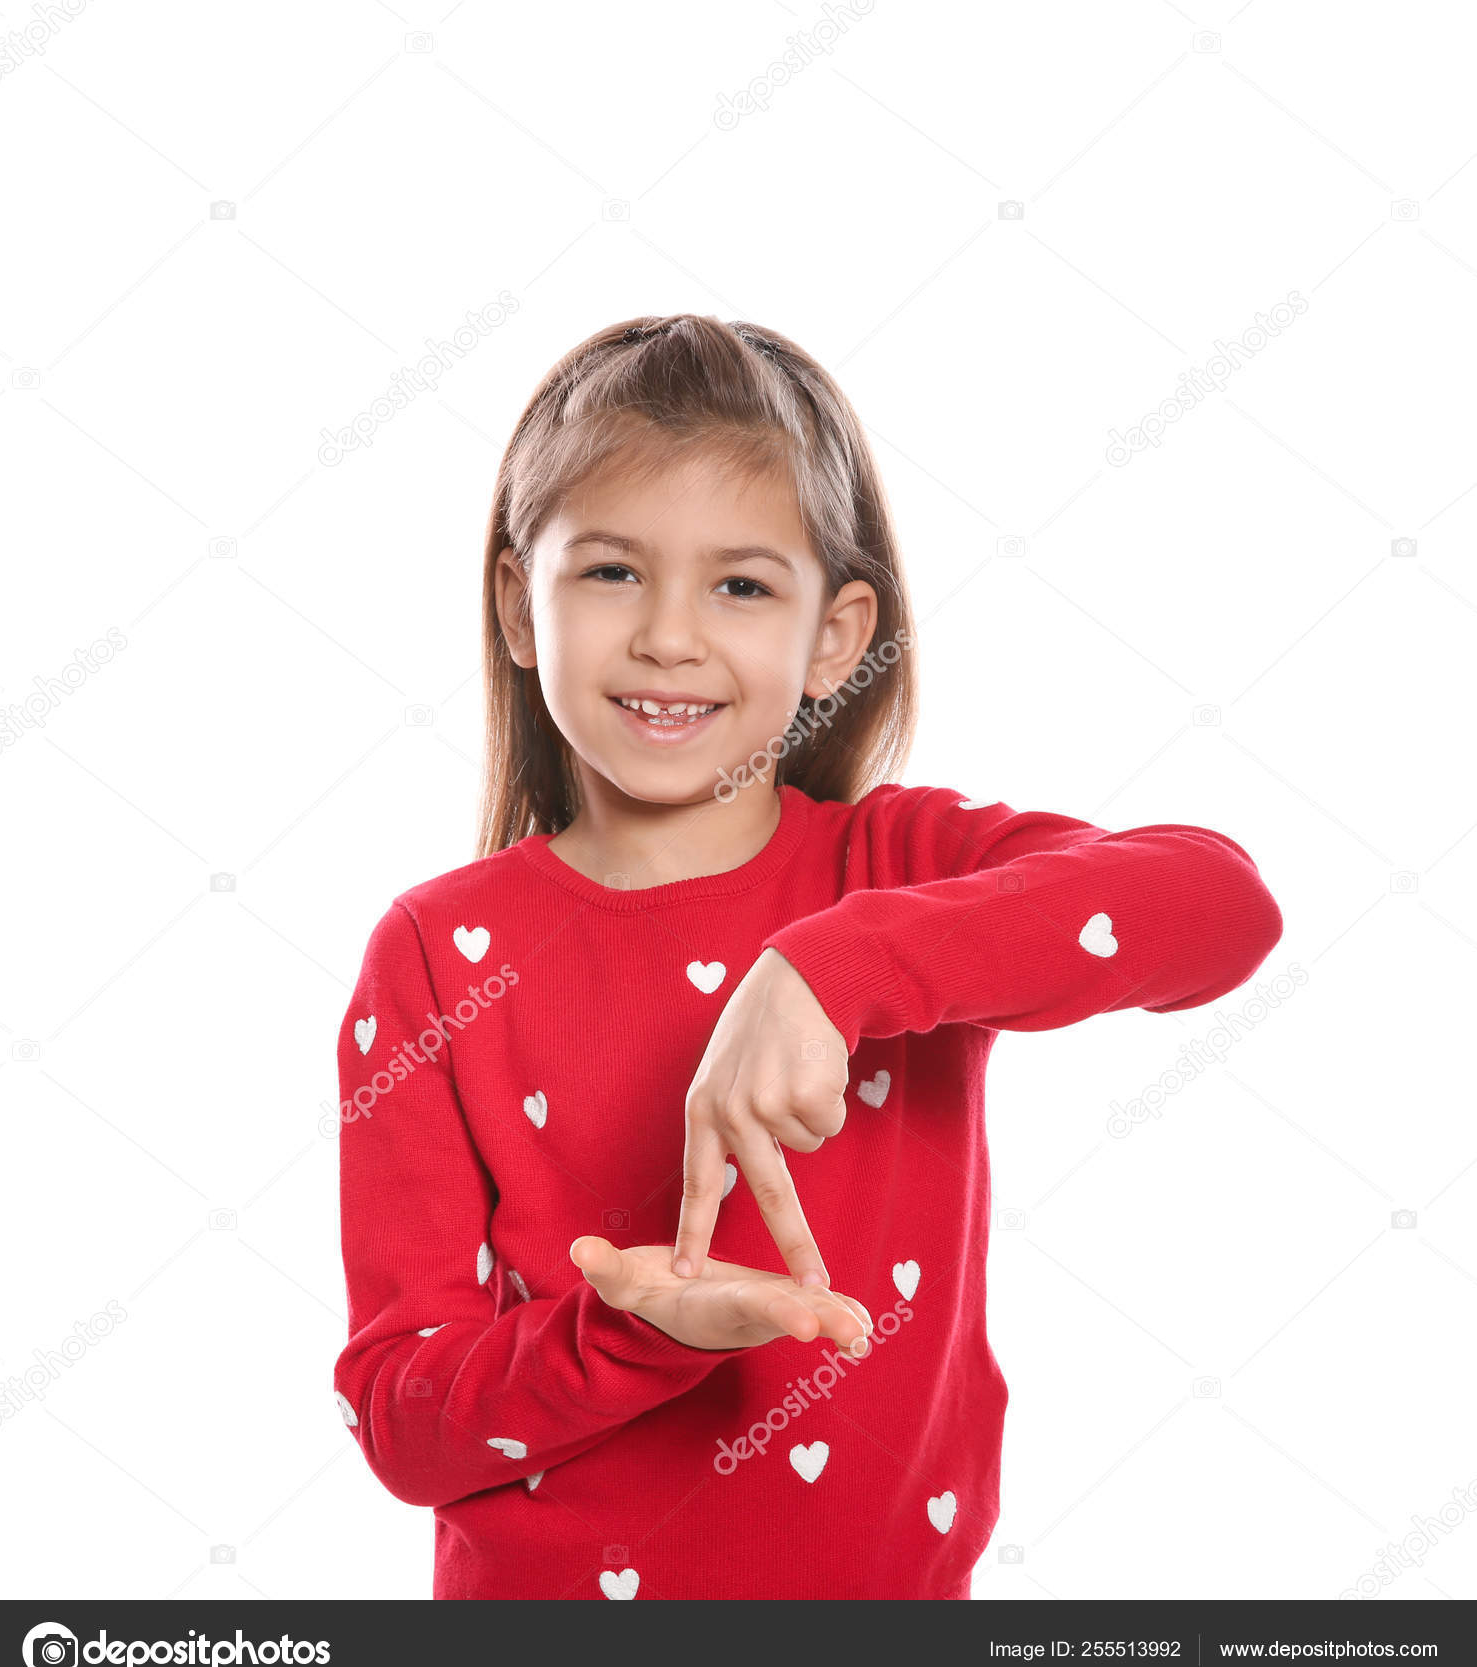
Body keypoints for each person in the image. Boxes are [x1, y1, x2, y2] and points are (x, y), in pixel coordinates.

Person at [332, 314, 1283, 1600]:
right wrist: (627, 1333)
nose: (670, 634)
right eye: (611, 571)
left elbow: (1220, 905)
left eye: (740, 585)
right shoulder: (440, 956)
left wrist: (842, 962)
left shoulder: (901, 872)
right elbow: (404, 1422)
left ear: (835, 637)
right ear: (518, 602)